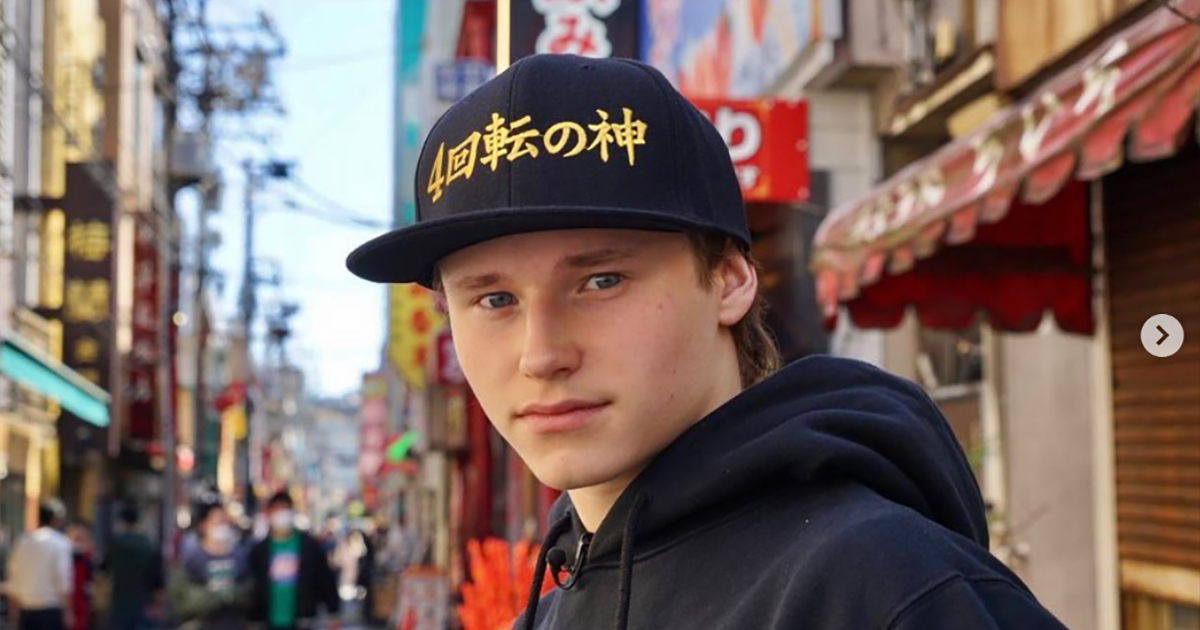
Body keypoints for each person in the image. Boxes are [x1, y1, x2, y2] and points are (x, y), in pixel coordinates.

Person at [345, 54, 1071, 630]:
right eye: (494, 299)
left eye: (601, 281)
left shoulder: (886, 589)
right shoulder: (553, 606)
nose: (541, 355)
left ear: (728, 279)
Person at [247, 491, 340, 630]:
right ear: (270, 513)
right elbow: (253, 587)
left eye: (285, 509)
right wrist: (252, 618)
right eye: (277, 510)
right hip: (268, 621)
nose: (282, 514)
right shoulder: (259, 550)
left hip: (303, 620)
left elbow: (325, 577)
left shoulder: (308, 546)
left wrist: (333, 611)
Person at [168, 501, 251, 630]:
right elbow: (181, 600)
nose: (223, 527)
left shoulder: (240, 558)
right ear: (203, 525)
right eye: (218, 522)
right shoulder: (191, 561)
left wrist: (231, 595)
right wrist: (217, 597)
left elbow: (250, 593)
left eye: (225, 521)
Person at [6, 500, 73, 630]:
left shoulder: (23, 542)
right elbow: (63, 580)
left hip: (27, 610)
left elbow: (14, 577)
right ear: (56, 519)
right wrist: (68, 611)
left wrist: (13, 612)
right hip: (51, 610)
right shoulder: (60, 543)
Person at [100, 504, 163, 630]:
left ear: (121, 522)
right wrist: (158, 605)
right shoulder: (149, 545)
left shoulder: (115, 544)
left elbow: (103, 571)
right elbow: (157, 581)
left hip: (119, 603)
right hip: (143, 603)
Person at [65, 523, 95, 630]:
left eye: (80, 539)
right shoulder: (63, 557)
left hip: (82, 603)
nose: (76, 543)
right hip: (66, 602)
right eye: (74, 538)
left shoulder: (89, 559)